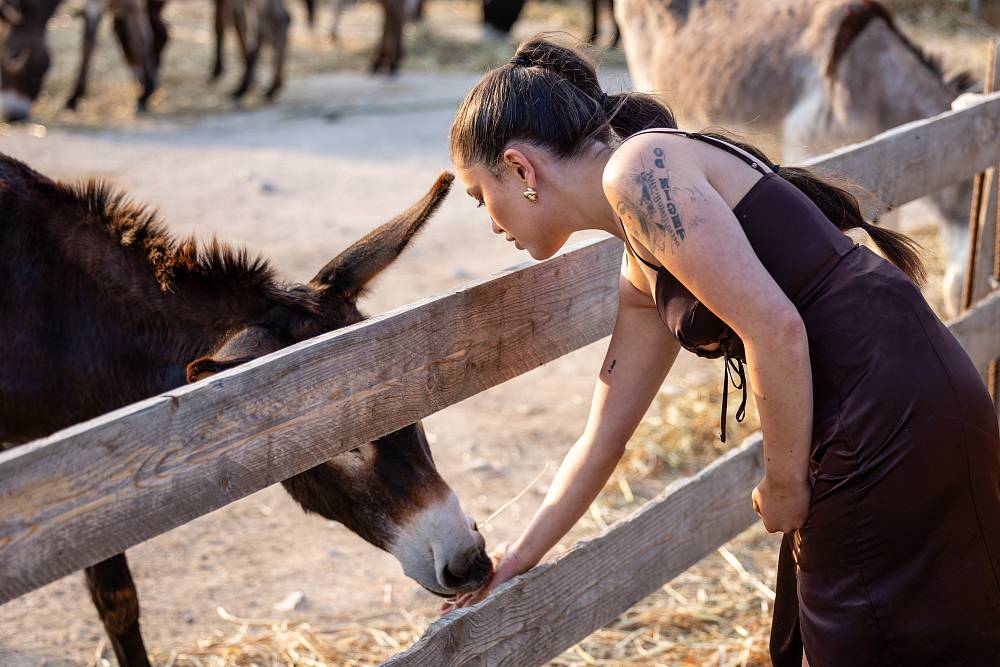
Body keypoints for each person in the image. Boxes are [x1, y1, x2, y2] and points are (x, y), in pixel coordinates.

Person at [442, 34, 1000, 667]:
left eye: (478, 196)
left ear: (520, 169)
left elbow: (777, 331)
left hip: (881, 410)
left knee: (869, 637)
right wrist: (518, 558)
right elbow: (603, 437)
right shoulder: (642, 252)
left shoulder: (639, 173)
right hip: (902, 386)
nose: (490, 221)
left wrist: (784, 485)